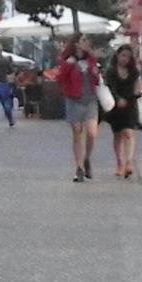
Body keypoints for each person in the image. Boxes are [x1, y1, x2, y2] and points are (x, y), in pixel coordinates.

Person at [58, 34, 100, 182]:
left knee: (91, 133)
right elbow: (60, 78)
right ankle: (80, 167)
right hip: (74, 100)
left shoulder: (91, 59)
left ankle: (87, 158)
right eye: (83, 40)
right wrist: (68, 65)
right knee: (77, 133)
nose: (87, 42)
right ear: (76, 44)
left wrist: (95, 74)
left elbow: (96, 79)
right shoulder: (66, 60)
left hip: (90, 99)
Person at [106, 45, 142, 178]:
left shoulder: (133, 71)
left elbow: (137, 85)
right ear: (117, 55)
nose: (125, 59)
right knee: (117, 134)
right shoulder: (111, 71)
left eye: (128, 57)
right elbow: (109, 88)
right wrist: (117, 99)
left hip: (130, 104)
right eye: (123, 55)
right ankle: (119, 162)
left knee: (128, 132)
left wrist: (138, 92)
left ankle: (128, 163)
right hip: (115, 106)